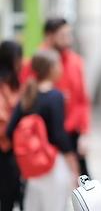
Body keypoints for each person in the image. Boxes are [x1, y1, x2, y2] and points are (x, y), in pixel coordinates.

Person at [7, 50, 80, 211]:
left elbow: (10, 130)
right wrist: (74, 166)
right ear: (52, 68)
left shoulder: (27, 95)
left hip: (30, 166)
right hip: (52, 163)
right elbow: (59, 136)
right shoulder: (55, 96)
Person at [19, 18, 92, 176]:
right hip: (42, 138)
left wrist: (84, 134)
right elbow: (24, 100)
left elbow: (82, 100)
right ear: (49, 36)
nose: (68, 40)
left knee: (84, 188)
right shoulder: (32, 64)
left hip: (71, 135)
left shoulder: (76, 62)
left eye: (69, 35)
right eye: (63, 36)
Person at [0, 41, 23, 211]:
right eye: (19, 58)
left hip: (18, 147)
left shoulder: (16, 83)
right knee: (7, 197)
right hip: (6, 148)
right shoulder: (3, 86)